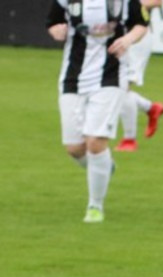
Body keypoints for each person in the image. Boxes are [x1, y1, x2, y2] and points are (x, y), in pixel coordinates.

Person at [47, 0, 148, 222]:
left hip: (110, 76)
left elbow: (141, 24)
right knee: (75, 148)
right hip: (72, 78)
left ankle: (95, 206)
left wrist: (127, 39)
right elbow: (53, 22)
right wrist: (57, 30)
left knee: (95, 142)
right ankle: (104, 166)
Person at [116, 0, 163, 152]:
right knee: (114, 86)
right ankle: (151, 108)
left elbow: (157, 1)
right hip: (118, 35)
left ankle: (129, 140)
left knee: (122, 87)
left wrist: (131, 4)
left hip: (137, 36)